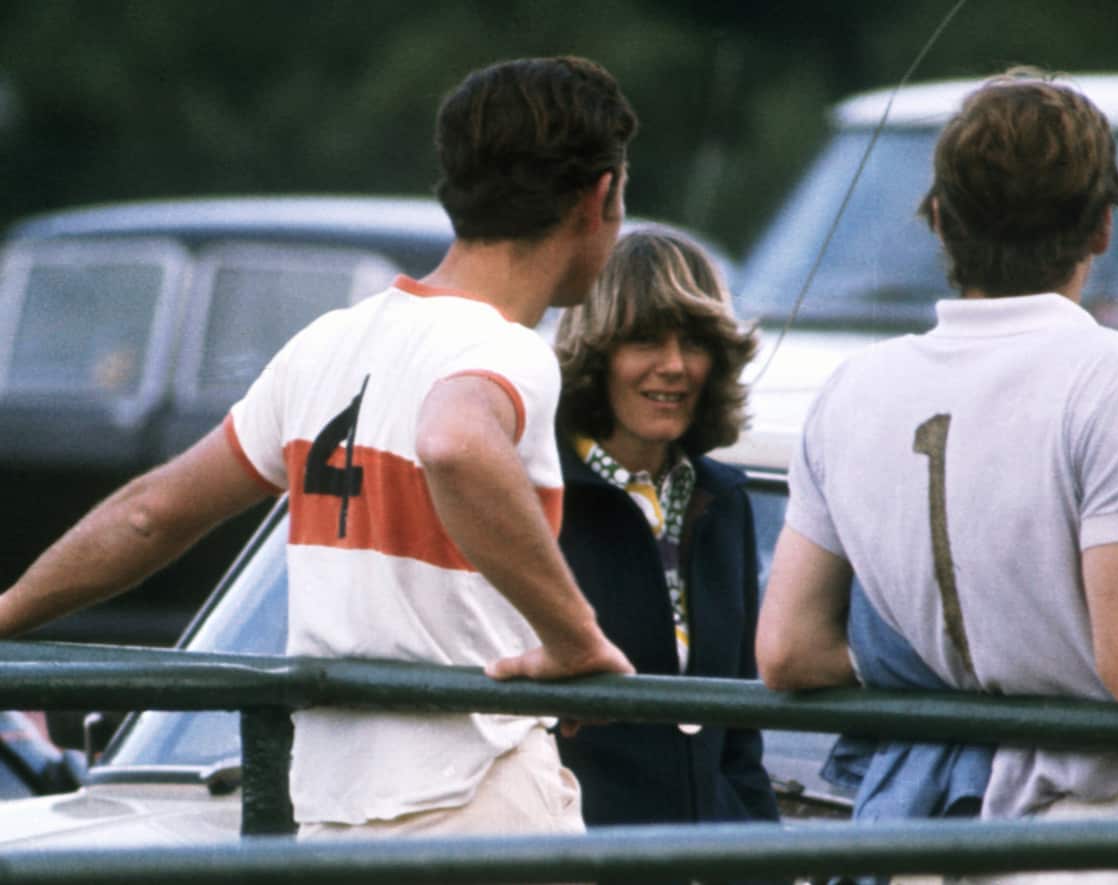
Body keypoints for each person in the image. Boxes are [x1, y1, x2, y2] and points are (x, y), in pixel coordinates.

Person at [0, 55, 639, 840]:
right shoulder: (510, 352)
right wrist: (578, 641)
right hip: (478, 800)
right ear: (599, 195)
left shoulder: (327, 344)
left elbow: (148, 512)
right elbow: (453, 441)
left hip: (330, 811)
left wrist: (5, 615)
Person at [755, 68, 1118, 884]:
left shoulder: (852, 388)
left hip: (936, 839)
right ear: (1100, 228)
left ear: (941, 220)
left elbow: (789, 651)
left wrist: (971, 655)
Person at [551, 228, 779, 840]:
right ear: (596, 353)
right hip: (573, 864)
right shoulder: (535, 496)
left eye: (697, 342)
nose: (674, 365)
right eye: (645, 340)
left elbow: (738, 743)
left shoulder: (725, 501)